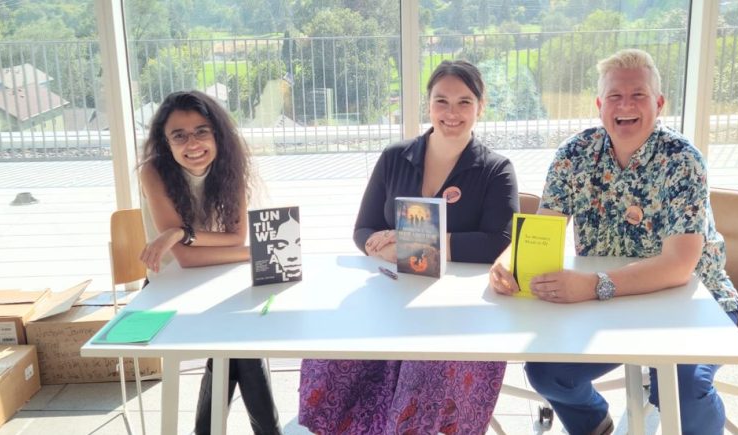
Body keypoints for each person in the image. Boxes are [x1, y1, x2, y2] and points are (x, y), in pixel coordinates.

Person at [487, 49, 738, 435]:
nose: (625, 106)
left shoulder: (683, 161)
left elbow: (679, 265)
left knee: (683, 388)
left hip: (694, 300)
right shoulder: (574, 155)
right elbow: (544, 228)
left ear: (659, 103)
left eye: (638, 95)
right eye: (614, 97)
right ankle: (594, 425)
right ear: (599, 105)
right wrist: (508, 261)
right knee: (547, 373)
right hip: (604, 303)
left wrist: (594, 285)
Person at [298, 60, 520, 434]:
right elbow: (363, 228)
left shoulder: (496, 169)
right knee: (332, 345)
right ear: (428, 105)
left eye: (464, 102)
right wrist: (378, 245)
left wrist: (416, 244)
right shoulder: (393, 157)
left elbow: (498, 241)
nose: (452, 113)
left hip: (457, 313)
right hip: (390, 294)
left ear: (481, 107)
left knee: (424, 369)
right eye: (441, 101)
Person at [137, 90, 281, 435]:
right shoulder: (153, 172)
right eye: (179, 135)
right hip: (164, 291)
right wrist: (254, 254)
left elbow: (234, 238)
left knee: (233, 346)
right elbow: (185, 260)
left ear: (217, 133)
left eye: (202, 131)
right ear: (165, 142)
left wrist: (178, 233)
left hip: (220, 277)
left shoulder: (231, 166)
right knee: (239, 345)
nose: (193, 143)